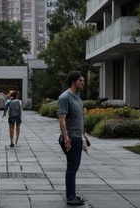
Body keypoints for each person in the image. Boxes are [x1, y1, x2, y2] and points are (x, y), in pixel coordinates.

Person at [57, 70, 89, 206]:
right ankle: (71, 196)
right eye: (81, 80)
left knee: (73, 167)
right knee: (72, 167)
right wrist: (66, 138)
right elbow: (62, 119)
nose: (83, 82)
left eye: (83, 80)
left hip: (77, 136)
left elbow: (79, 118)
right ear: (74, 81)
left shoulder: (78, 96)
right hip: (71, 138)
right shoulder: (65, 97)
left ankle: (72, 194)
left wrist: (84, 134)